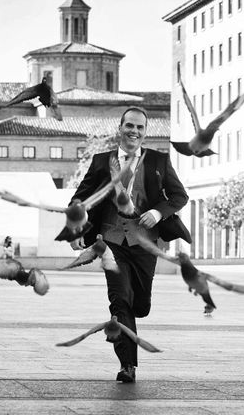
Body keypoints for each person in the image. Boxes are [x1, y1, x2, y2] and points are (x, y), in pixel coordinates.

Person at [69, 107, 190, 383]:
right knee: (120, 298)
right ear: (120, 128)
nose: (134, 131)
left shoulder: (158, 160)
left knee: (140, 305)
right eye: (129, 126)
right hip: (112, 242)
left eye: (139, 127)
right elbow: (81, 198)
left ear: (145, 132)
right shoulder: (102, 161)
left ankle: (134, 311)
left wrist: (158, 212)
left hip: (145, 244)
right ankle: (128, 364)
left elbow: (179, 196)